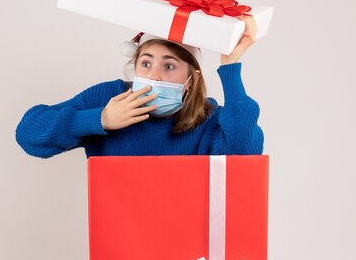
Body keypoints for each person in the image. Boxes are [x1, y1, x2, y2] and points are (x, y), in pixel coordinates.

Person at [15, 16, 263, 158]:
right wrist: (99, 119)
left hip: (188, 242)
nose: (153, 77)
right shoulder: (111, 97)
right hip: (118, 240)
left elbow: (242, 158)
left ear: (192, 80)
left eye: (169, 66)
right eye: (146, 63)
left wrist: (230, 66)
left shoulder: (209, 118)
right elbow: (29, 134)